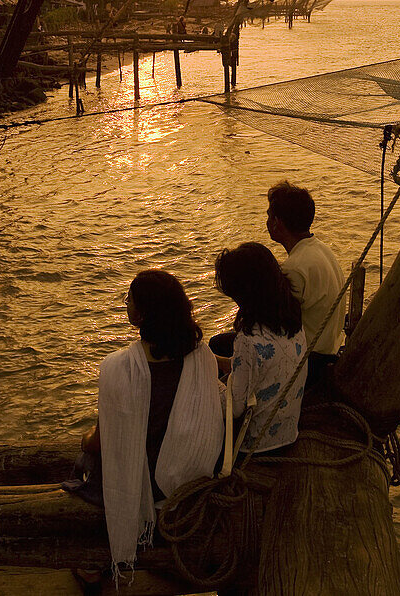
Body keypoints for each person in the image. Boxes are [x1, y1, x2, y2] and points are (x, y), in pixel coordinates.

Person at [71, 270, 224, 576]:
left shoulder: (118, 367)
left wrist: (86, 439)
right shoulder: (202, 356)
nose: (126, 304)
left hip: (148, 489)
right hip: (187, 482)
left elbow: (102, 442)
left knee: (83, 459)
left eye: (129, 299)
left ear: (139, 316)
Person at [214, 243, 307, 455]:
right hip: (287, 433)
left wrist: (204, 381)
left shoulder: (249, 340)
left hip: (256, 446)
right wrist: (212, 360)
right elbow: (261, 371)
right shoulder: (292, 320)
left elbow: (234, 408)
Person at [267, 181, 346, 388]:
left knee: (221, 345)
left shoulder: (294, 268)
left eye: (269, 216)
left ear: (277, 223)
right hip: (329, 349)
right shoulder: (320, 249)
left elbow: (277, 327)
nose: (267, 221)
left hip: (312, 361)